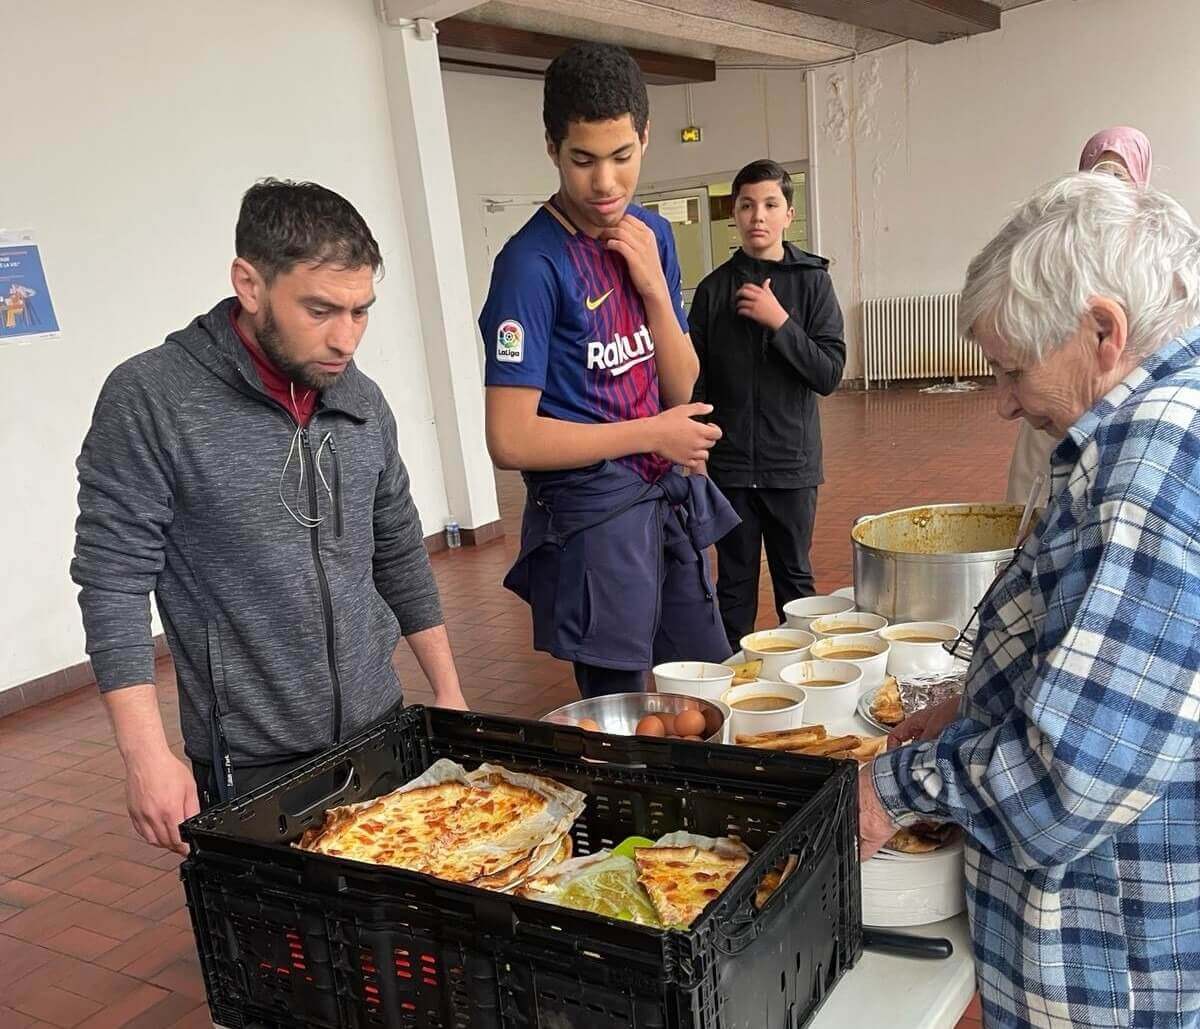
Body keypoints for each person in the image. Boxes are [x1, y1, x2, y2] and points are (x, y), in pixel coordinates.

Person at [861, 173, 1200, 1025]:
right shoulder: (1153, 423)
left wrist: (894, 789)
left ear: (1103, 331)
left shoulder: (1154, 467)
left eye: (1012, 371)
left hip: (1114, 969)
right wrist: (972, 704)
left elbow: (1065, 788)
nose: (1003, 401)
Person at [72, 179, 467, 851]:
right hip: (253, 756)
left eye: (361, 311)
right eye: (321, 309)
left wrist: (449, 692)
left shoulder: (361, 400)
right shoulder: (152, 399)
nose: (346, 338)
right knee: (283, 949)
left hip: (379, 726)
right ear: (249, 284)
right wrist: (145, 756)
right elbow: (112, 582)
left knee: (393, 936)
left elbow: (397, 546)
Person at [479, 42, 736, 698]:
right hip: (592, 519)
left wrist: (653, 287)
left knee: (706, 684)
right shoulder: (531, 266)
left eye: (622, 157)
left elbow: (680, 385)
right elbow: (510, 439)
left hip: (662, 496)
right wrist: (653, 434)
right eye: (583, 160)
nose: (605, 184)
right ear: (552, 147)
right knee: (625, 709)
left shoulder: (652, 233)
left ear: (645, 136)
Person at [689, 160, 845, 649]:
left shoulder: (812, 282)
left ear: (788, 214)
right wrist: (696, 455)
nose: (758, 215)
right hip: (730, 467)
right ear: (734, 214)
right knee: (733, 588)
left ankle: (804, 679)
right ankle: (733, 693)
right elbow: (697, 383)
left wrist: (779, 322)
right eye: (747, 205)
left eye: (770, 204)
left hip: (791, 466)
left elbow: (828, 374)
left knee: (795, 584)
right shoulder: (714, 291)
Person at [1005, 126, 1153, 508]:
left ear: (1139, 180)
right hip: (1060, 390)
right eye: (1098, 171)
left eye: (1119, 175)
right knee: (1035, 503)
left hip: (1125, 396)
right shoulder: (1054, 240)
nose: (1108, 184)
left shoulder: (1153, 250)